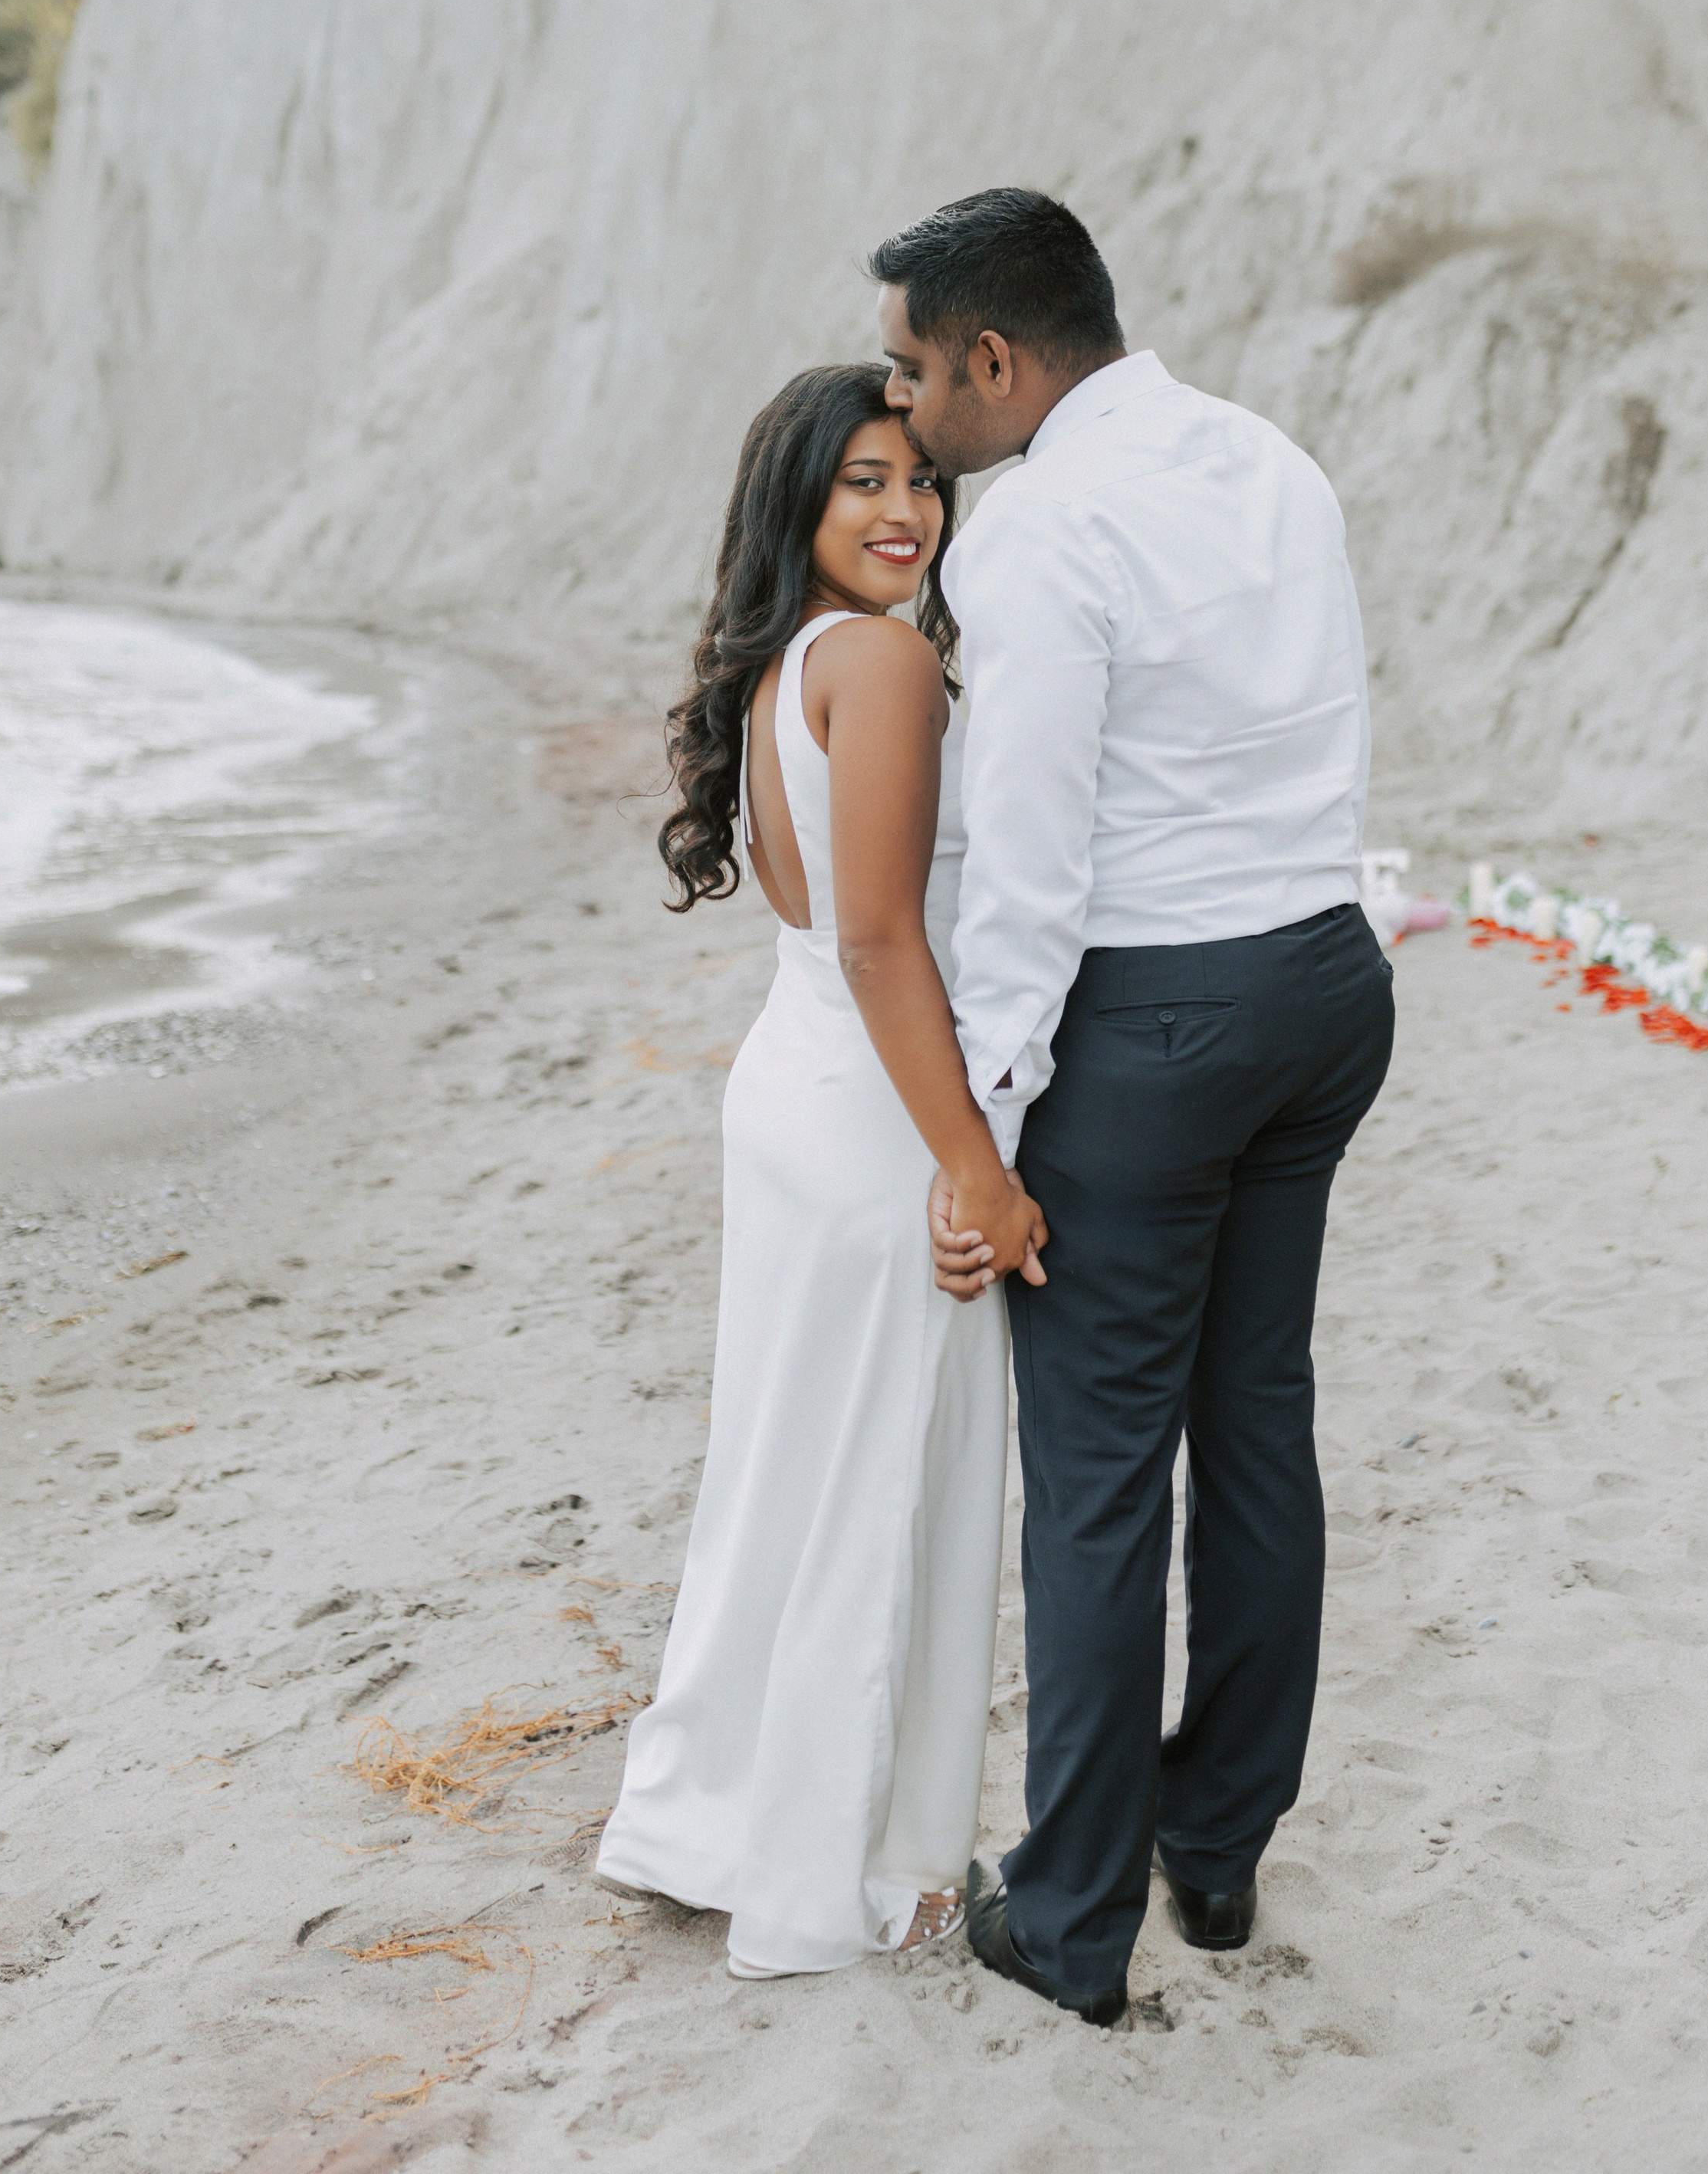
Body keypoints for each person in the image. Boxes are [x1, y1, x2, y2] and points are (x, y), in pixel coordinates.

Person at [874, 188, 1394, 2029]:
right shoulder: (1268, 458)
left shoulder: (1038, 532)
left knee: (1096, 1477)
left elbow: (1024, 872)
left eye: (915, 370)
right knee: (1256, 1421)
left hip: (1159, 1018)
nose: (907, 411)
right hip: (1325, 979)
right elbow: (1322, 723)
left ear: (996, 361)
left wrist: (985, 1136)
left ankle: (1074, 1921)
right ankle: (1219, 1845)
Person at [596, 364, 1030, 1979]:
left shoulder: (792, 662)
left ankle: (704, 1814)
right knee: (877, 1483)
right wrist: (972, 1165)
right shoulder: (886, 665)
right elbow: (878, 940)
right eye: (861, 481)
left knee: (781, 1468)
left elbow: (834, 937)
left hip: (794, 1085)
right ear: (798, 499)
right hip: (873, 1111)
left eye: (920, 482)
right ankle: (842, 1859)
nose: (903, 510)